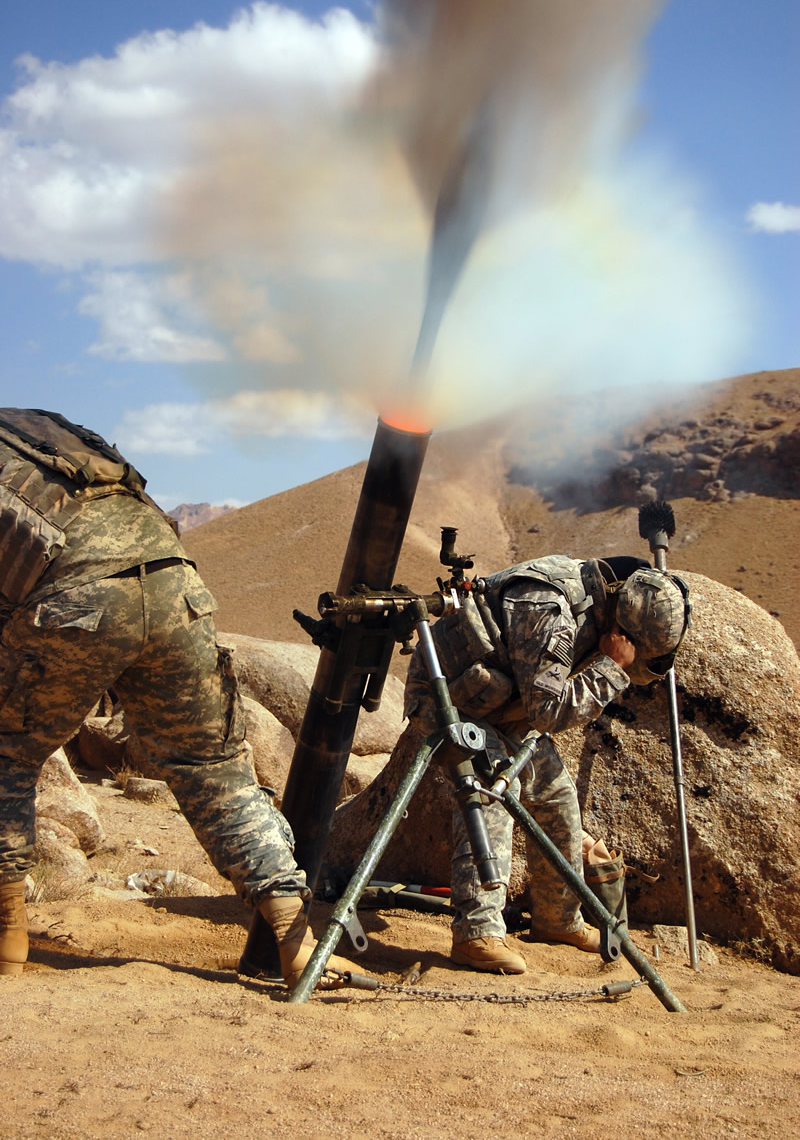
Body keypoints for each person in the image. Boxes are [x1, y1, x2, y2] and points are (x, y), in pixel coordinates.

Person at [0, 407, 358, 987]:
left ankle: (6, 939)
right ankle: (297, 945)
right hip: (176, 584)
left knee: (5, 755)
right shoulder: (37, 427)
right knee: (214, 768)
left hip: (78, 595)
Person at [403, 552, 690, 974]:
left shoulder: (599, 601)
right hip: (446, 701)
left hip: (502, 706)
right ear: (621, 629)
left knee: (556, 795)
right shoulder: (547, 608)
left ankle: (558, 919)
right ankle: (476, 933)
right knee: (494, 786)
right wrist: (611, 668)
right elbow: (547, 713)